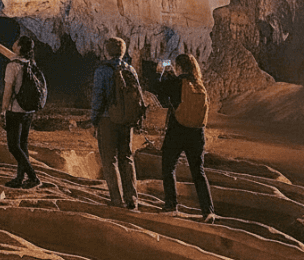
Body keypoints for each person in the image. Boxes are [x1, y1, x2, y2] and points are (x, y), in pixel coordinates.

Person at [142, 52, 217, 222]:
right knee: (198, 172)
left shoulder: (177, 83)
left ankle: (171, 205)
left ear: (179, 67)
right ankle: (208, 211)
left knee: (168, 167)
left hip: (178, 131)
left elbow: (156, 87)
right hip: (197, 134)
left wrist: (160, 71)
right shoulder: (199, 85)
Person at [0, 31, 41, 189]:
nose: (12, 43)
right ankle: (20, 179)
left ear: (19, 47)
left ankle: (33, 178)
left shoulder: (12, 66)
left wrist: (3, 111)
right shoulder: (28, 62)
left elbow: (7, 91)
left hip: (15, 111)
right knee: (23, 145)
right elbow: (6, 51)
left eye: (16, 42)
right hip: (28, 111)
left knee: (14, 146)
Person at [90, 37, 141, 209]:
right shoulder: (131, 70)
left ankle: (116, 199)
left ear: (106, 51)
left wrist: (94, 120)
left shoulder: (102, 71)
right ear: (123, 51)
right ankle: (132, 198)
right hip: (126, 121)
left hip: (107, 119)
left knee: (109, 159)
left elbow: (98, 97)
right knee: (126, 157)